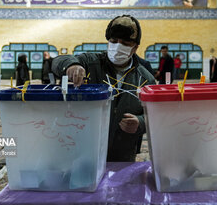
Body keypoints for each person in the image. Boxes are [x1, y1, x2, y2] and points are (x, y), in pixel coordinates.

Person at [52, 15, 155, 162]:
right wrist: (71, 65)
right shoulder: (90, 62)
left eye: (125, 43)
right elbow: (58, 61)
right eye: (113, 41)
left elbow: (154, 115)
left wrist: (140, 123)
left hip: (124, 151)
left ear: (135, 47)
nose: (118, 46)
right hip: (85, 147)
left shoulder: (146, 78)